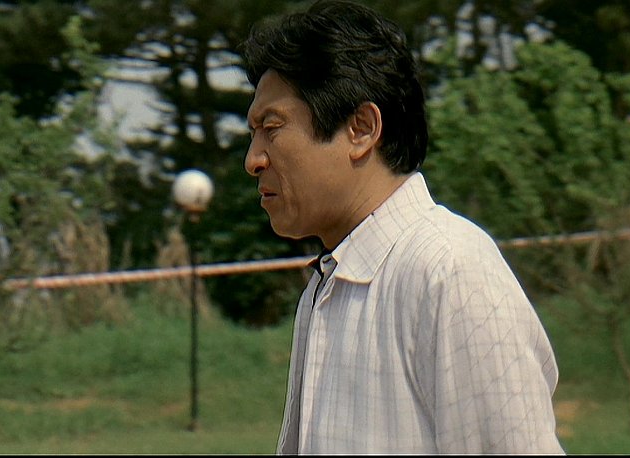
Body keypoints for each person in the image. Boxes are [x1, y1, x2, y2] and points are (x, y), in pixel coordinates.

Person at [239, 0, 565, 454]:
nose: (253, 160)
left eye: (271, 128)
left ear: (361, 129)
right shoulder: (328, 285)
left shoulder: (449, 270)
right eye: (252, 134)